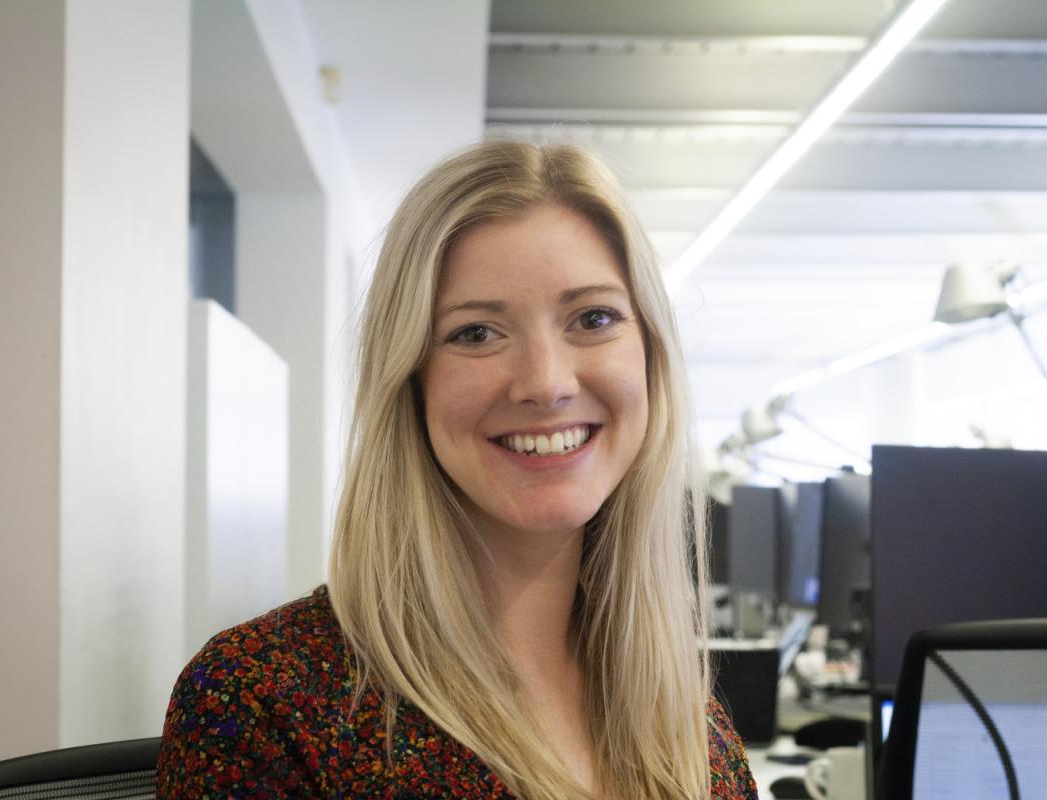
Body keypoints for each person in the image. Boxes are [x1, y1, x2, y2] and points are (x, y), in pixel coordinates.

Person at [156, 140, 759, 799]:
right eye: (476, 333)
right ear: (411, 380)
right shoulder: (263, 701)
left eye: (594, 318)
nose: (545, 382)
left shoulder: (688, 720)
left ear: (650, 357)